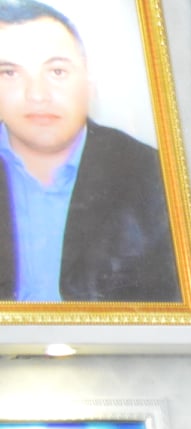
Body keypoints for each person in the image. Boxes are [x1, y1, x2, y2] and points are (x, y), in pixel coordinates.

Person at [0, 0, 178, 303]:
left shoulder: (156, 176)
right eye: (9, 73)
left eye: (57, 71)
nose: (37, 95)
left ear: (89, 82)